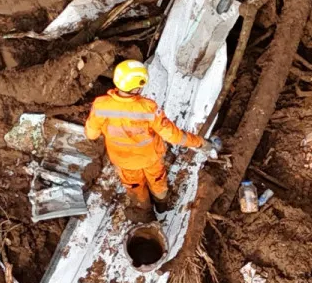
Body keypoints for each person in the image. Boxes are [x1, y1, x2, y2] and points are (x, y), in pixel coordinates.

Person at [85, 59, 216, 208]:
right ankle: (161, 204)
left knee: (134, 187)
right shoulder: (148, 108)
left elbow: (91, 134)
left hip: (124, 161)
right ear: (136, 87)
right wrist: (200, 143)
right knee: (158, 182)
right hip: (150, 158)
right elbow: (172, 135)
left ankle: (144, 209)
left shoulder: (100, 104)